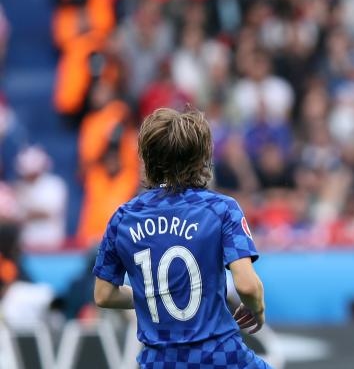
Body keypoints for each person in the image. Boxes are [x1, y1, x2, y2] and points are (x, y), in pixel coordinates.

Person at [92, 108, 271, 369]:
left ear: (147, 159)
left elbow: (104, 295)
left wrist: (154, 295)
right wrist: (257, 309)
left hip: (158, 362)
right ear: (200, 159)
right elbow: (247, 286)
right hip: (220, 359)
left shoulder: (123, 218)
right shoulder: (221, 210)